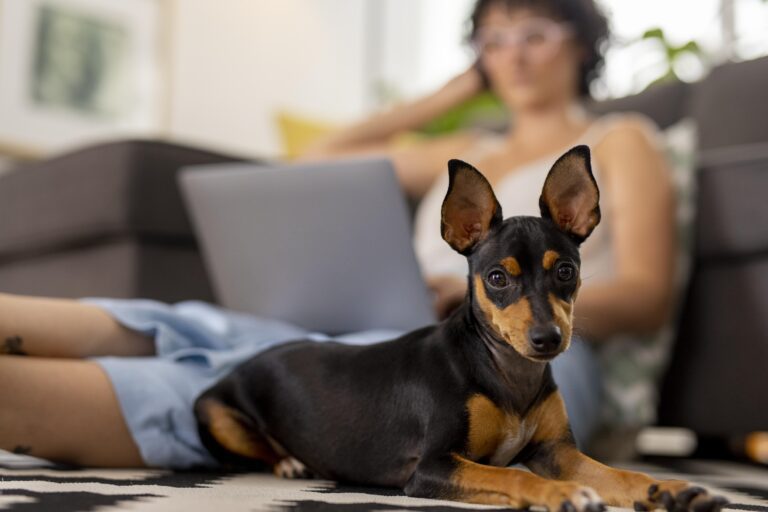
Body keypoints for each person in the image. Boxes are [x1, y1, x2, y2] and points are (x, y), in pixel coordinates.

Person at [0, 0, 675, 469]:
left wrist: (485, 303)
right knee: (227, 330)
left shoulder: (619, 141)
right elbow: (315, 157)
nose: (513, 56)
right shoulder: (469, 147)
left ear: (582, 41)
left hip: (532, 363)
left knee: (286, 383)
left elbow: (647, 295)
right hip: (409, 335)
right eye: (493, 41)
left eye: (534, 33)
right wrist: (449, 95)